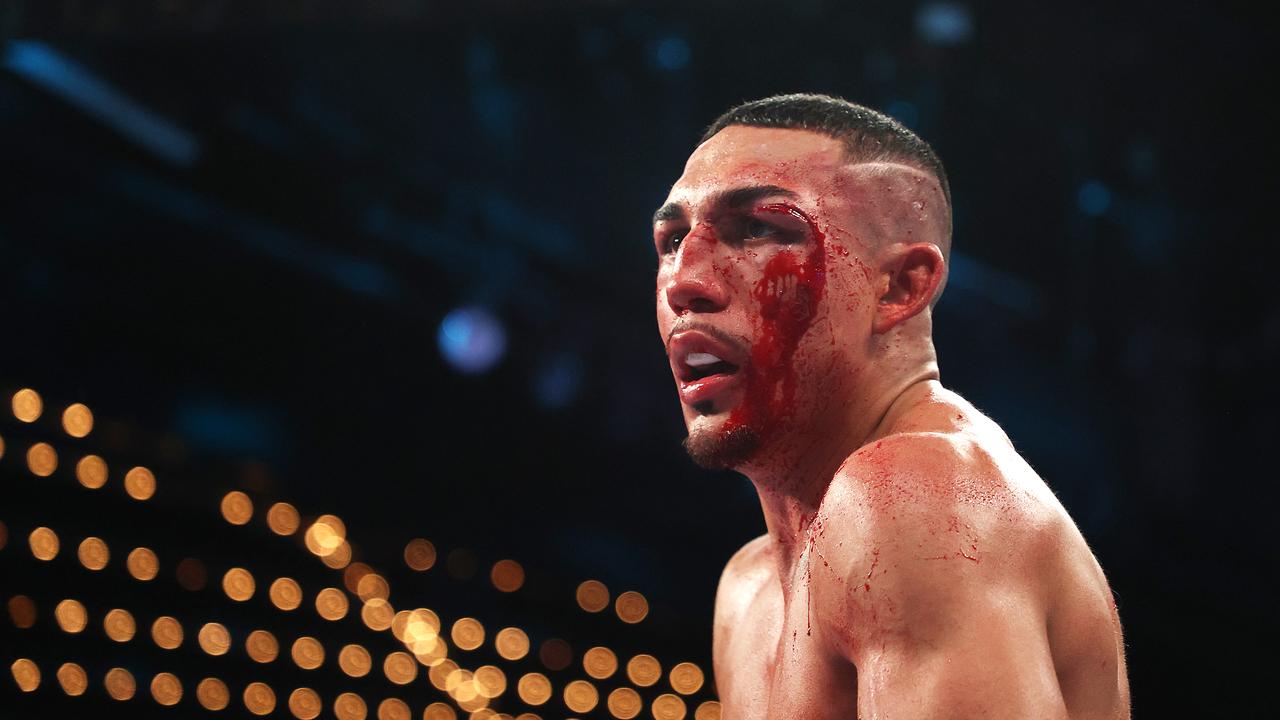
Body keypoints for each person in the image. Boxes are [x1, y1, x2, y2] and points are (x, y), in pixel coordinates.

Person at [652, 94, 1129, 719]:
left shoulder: (919, 499)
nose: (685, 281)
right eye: (672, 238)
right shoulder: (751, 591)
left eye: (759, 230)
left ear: (901, 286)